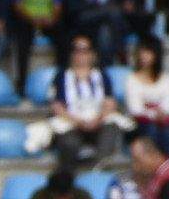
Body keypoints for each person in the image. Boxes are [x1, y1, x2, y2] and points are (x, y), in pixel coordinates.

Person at [44, 34, 130, 168]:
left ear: (92, 53)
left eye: (85, 50)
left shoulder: (102, 75)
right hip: (72, 122)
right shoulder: (61, 76)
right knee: (68, 142)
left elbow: (110, 103)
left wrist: (97, 120)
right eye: (77, 50)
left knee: (111, 129)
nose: (81, 55)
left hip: (98, 121)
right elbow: (57, 106)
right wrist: (78, 122)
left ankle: (97, 168)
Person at [10, 0, 66, 84]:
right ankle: (21, 82)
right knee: (22, 40)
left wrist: (51, 19)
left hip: (48, 20)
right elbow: (18, 5)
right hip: (27, 19)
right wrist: (31, 18)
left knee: (63, 38)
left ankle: (61, 79)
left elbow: (57, 5)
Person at [124, 36, 169, 155]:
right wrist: (155, 112)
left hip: (163, 123)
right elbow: (135, 110)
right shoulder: (131, 80)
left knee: (166, 131)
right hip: (138, 126)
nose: (144, 56)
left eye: (148, 52)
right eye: (142, 51)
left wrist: (149, 109)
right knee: (151, 129)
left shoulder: (168, 80)